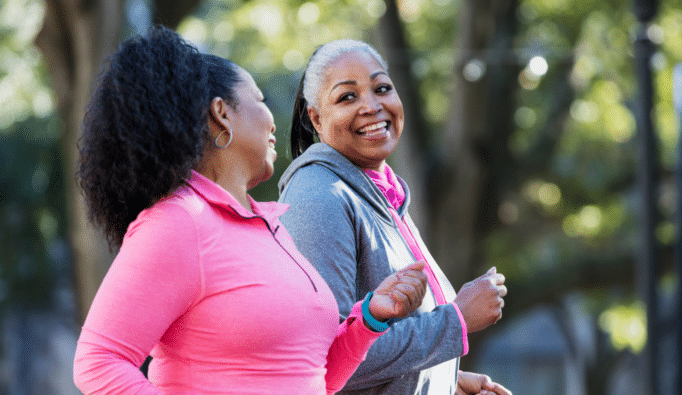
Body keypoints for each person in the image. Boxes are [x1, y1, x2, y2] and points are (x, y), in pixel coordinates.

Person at [72, 27, 429, 395]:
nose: (273, 119)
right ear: (221, 113)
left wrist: (369, 319)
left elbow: (312, 376)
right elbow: (99, 362)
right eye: (259, 99)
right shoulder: (179, 222)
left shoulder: (270, 229)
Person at [278, 40, 511, 395]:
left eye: (382, 88)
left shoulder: (380, 194)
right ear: (316, 118)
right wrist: (456, 319)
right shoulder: (320, 195)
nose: (372, 106)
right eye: (347, 97)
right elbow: (324, 360)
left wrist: (446, 382)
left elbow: (386, 351)